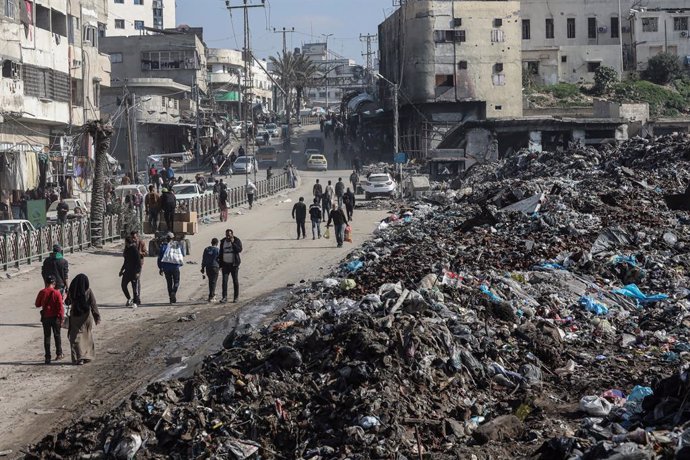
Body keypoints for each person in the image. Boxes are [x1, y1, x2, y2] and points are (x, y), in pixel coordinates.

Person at [66, 273, 100, 365]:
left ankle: (79, 357)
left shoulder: (72, 291)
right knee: (87, 336)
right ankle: (87, 356)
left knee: (76, 337)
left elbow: (67, 302)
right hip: (86, 317)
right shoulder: (88, 291)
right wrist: (97, 317)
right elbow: (93, 304)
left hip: (75, 316)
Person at [35, 275, 64, 364]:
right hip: (55, 318)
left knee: (47, 337)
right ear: (54, 283)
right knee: (57, 335)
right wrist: (61, 318)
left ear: (46, 283)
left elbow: (37, 304)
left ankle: (47, 357)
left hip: (46, 318)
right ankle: (59, 354)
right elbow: (60, 307)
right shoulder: (57, 293)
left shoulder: (42, 292)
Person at [218, 229, 243, 303]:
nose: (228, 237)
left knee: (235, 281)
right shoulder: (223, 241)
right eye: (226, 235)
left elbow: (239, 250)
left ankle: (236, 297)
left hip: (234, 264)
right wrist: (220, 264)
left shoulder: (237, 240)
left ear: (232, 234)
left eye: (229, 235)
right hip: (225, 264)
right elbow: (221, 253)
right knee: (224, 281)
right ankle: (224, 297)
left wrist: (233, 243)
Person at [157, 232, 183, 303]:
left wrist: (160, 268)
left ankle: (171, 299)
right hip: (175, 267)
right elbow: (181, 254)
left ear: (166, 238)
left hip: (166, 268)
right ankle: (173, 292)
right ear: (173, 238)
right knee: (176, 282)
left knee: (169, 283)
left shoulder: (163, 246)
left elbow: (159, 258)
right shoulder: (177, 245)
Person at [119, 236, 142, 308]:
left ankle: (136, 302)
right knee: (123, 285)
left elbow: (139, 262)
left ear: (127, 242)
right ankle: (129, 298)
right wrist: (122, 270)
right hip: (127, 272)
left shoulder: (135, 250)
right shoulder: (127, 250)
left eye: (125, 242)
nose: (125, 243)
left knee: (135, 288)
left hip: (134, 272)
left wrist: (138, 272)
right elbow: (125, 261)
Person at [201, 238, 220, 302]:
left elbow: (204, 259)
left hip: (208, 268)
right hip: (215, 267)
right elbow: (219, 259)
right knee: (213, 282)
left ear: (211, 242)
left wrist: (203, 268)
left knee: (210, 281)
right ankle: (211, 296)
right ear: (217, 243)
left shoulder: (206, 249)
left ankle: (211, 295)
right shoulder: (217, 250)